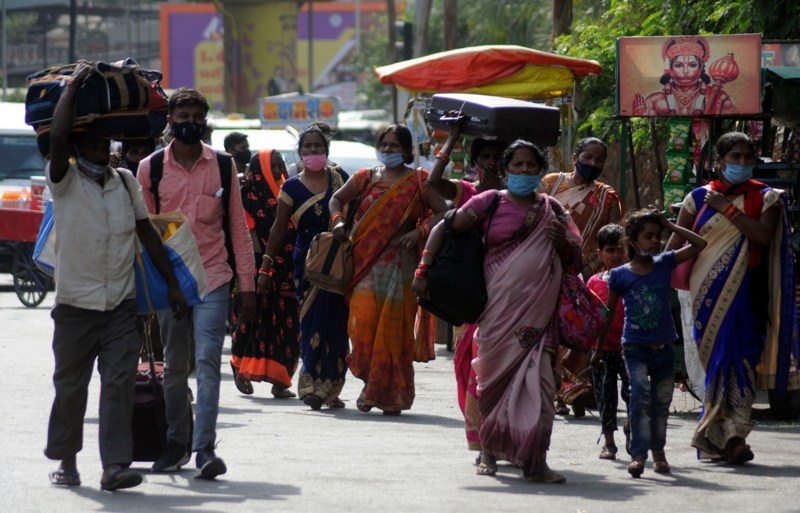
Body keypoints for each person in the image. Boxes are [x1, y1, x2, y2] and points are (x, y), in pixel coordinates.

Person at [44, 62, 187, 491]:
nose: (101, 150)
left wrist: (174, 285)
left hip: (121, 306)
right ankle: (67, 460)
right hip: (75, 306)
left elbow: (149, 237)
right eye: (92, 143)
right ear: (77, 146)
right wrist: (74, 86)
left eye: (105, 143)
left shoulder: (125, 182)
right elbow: (56, 137)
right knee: (71, 388)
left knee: (119, 385)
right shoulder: (64, 180)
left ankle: (115, 466)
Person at [415, 139, 579, 482]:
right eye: (517, 165)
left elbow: (575, 259)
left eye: (531, 165)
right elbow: (445, 225)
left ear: (541, 170)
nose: (525, 171)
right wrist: (423, 270)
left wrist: (561, 241)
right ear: (505, 170)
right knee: (492, 383)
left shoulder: (554, 210)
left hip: (540, 316)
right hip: (498, 312)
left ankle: (536, 461)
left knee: (543, 388)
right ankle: (489, 452)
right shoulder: (489, 201)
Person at [137, 88, 256, 479]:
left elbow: (237, 228)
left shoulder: (222, 166)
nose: (190, 123)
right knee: (174, 367)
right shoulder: (151, 169)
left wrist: (248, 286)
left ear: (205, 121)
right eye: (183, 116)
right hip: (169, 281)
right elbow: (145, 234)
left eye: (197, 117)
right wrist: (158, 287)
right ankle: (176, 443)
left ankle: (204, 448)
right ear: (170, 121)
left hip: (213, 277)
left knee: (207, 364)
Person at [665, 132, 799, 465]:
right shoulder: (697, 198)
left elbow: (763, 236)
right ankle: (721, 438)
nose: (741, 163)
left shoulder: (766, 197)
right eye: (734, 157)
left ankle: (734, 436)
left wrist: (726, 210)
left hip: (747, 291)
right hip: (706, 294)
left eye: (747, 157)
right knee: (717, 360)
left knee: (741, 359)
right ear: (719, 161)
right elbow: (674, 247)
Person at [330, 124, 447, 415]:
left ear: (406, 150)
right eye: (384, 145)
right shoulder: (365, 177)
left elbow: (444, 211)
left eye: (394, 146)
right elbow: (337, 199)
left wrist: (419, 232)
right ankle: (372, 382)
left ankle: (386, 394)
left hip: (400, 265)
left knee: (395, 333)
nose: (388, 150)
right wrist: (338, 221)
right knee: (361, 328)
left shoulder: (418, 180)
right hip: (363, 264)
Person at [599, 208, 707, 478]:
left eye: (658, 236)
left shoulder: (665, 263)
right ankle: (638, 455)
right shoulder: (620, 275)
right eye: (649, 236)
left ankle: (659, 452)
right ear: (633, 240)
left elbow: (700, 244)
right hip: (634, 347)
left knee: (661, 404)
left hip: (664, 348)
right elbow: (608, 313)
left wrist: (670, 225)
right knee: (638, 399)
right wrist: (597, 347)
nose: (656, 241)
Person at [427, 121, 506, 459]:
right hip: (471, 288)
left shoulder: (519, 198)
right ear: (475, 162)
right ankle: (478, 430)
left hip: (506, 288)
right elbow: (432, 184)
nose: (491, 162)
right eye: (485, 157)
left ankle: (499, 434)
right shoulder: (466, 192)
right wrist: (453, 139)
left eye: (497, 157)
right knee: (466, 362)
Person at [259, 125, 350, 410]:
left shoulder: (340, 178)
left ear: (326, 150)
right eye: (307, 147)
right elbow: (278, 228)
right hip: (307, 264)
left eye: (317, 146)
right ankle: (310, 383)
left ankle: (330, 386)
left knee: (336, 323)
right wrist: (265, 265)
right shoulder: (291, 187)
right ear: (299, 152)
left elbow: (356, 213)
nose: (313, 151)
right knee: (310, 322)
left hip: (338, 263)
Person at [540, 137, 623, 416]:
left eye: (599, 160)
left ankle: (572, 388)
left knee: (576, 328)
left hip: (584, 274)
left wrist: (590, 266)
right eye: (588, 157)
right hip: (544, 267)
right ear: (575, 158)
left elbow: (615, 237)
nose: (593, 163)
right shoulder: (551, 184)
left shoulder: (607, 196)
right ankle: (551, 388)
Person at [230, 149, 299, 399]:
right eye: (274, 166)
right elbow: (246, 231)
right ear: (260, 170)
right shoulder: (245, 195)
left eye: (281, 165)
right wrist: (261, 267)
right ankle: (239, 367)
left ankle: (280, 381)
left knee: (288, 325)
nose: (279, 170)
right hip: (259, 267)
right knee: (251, 322)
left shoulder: (289, 192)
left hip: (289, 268)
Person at [586, 224, 629, 461]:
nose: (616, 255)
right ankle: (609, 443)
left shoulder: (634, 277)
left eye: (621, 250)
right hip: (602, 349)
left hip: (629, 347)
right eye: (611, 250)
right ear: (600, 253)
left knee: (633, 393)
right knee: (605, 396)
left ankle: (632, 429)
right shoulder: (594, 282)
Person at [632, 36, 736, 116]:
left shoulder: (720, 99)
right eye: (678, 65)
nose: (685, 71)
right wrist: (644, 114)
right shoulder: (654, 99)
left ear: (701, 69)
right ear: (670, 70)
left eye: (692, 65)